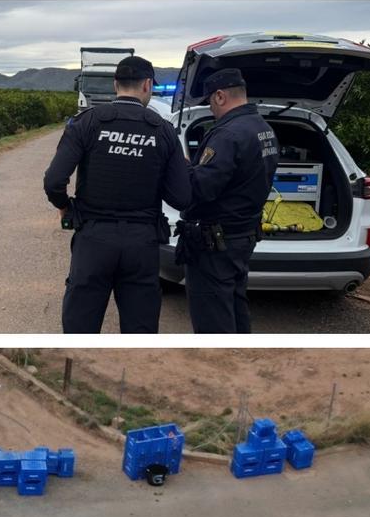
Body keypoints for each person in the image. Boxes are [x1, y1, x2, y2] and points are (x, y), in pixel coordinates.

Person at [44, 55, 192, 333]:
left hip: (93, 239)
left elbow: (53, 181)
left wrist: (65, 207)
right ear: (147, 85)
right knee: (140, 332)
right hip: (142, 244)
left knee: (80, 329)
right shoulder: (164, 131)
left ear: (115, 84)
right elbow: (181, 198)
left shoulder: (86, 122)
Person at [178, 67, 280, 333]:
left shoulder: (227, 134)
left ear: (220, 96)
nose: (211, 108)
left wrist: (185, 167)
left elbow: (200, 189)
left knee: (213, 320)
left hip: (215, 244)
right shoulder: (263, 128)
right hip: (242, 236)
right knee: (235, 307)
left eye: (210, 101)